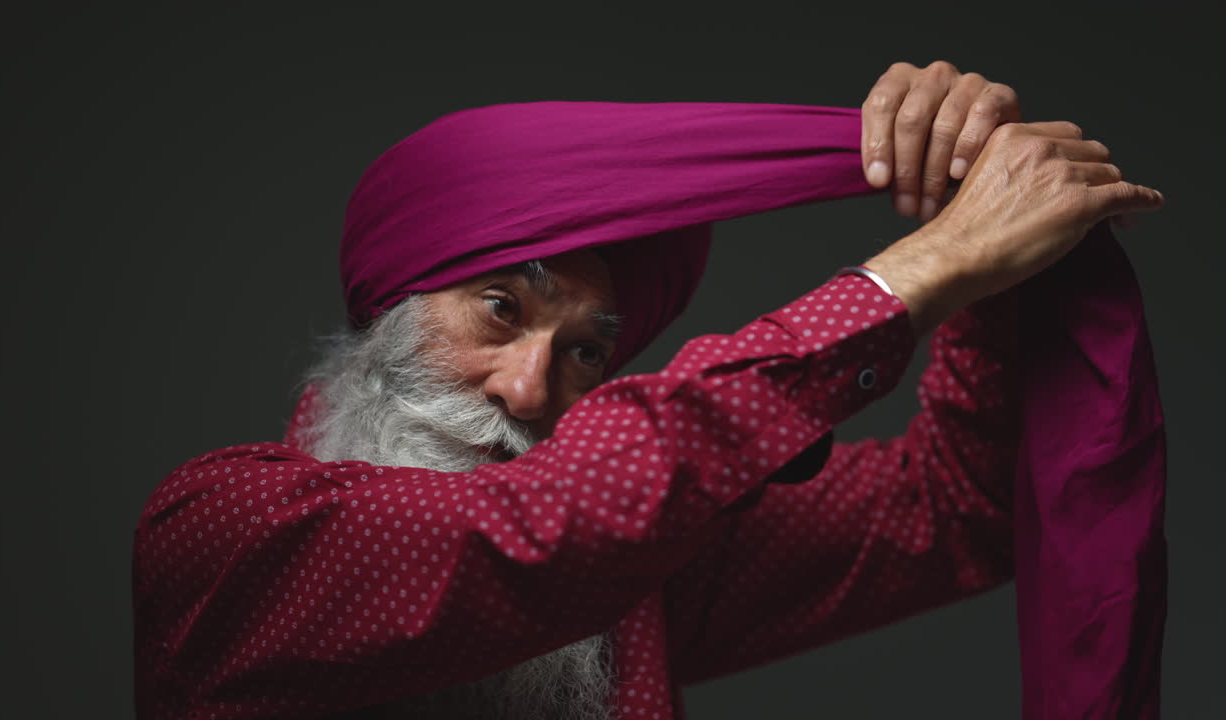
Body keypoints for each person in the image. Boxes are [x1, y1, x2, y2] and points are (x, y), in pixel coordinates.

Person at [131, 61, 1165, 720]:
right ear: (384, 314)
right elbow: (531, 532)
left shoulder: (634, 584)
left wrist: (983, 236)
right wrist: (922, 270)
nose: (529, 390)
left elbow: (958, 506)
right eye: (499, 309)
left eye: (588, 351)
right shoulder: (217, 533)